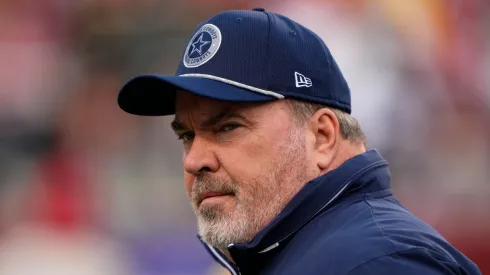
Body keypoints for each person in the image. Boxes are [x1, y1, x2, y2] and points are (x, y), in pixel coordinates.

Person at [117, 8, 481, 275]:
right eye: (187, 136)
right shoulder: (309, 253)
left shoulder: (380, 262)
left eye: (228, 127)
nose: (194, 160)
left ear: (322, 137)